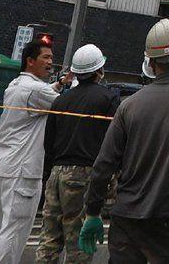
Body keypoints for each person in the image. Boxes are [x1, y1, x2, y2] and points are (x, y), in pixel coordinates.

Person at [79, 19, 169, 262]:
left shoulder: (129, 105)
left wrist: (92, 212)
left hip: (125, 222)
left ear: (151, 63)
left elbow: (104, 165)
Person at [0, 40, 72, 264]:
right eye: (45, 57)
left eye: (52, 57)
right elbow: (65, 105)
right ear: (30, 61)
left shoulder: (15, 85)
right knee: (14, 229)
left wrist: (60, 83)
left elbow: (44, 96)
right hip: (22, 170)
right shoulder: (35, 90)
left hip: (2, 163)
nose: (51, 62)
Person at [36, 44, 120, 264]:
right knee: (79, 243)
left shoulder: (60, 100)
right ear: (99, 71)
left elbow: (49, 142)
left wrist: (49, 172)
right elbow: (114, 141)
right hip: (84, 174)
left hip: (56, 173)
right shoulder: (108, 99)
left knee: (49, 239)